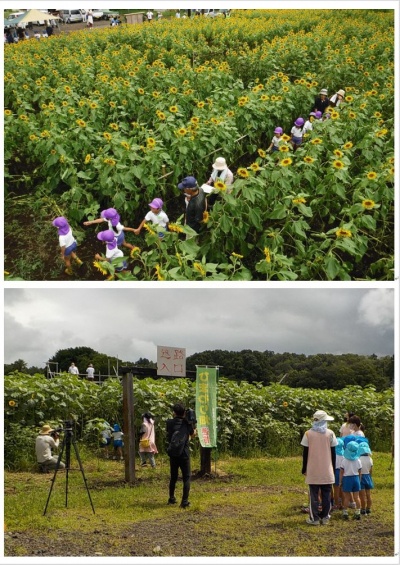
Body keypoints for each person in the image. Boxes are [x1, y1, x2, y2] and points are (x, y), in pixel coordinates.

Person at [300, 409, 338, 525]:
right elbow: (333, 453)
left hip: (313, 468)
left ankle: (314, 518)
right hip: (327, 468)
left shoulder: (308, 434)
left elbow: (305, 453)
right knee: (327, 494)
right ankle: (325, 517)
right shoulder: (330, 433)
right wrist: (333, 467)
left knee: (314, 495)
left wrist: (304, 468)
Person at [166, 402, 196, 508]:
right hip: (184, 454)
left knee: (173, 477)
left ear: (174, 412)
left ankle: (171, 498)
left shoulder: (169, 422)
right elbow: (192, 435)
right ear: (184, 412)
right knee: (186, 478)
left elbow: (169, 434)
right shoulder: (187, 423)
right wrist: (192, 424)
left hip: (173, 453)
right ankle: (184, 501)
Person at [339, 440, 362, 520]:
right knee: (357, 497)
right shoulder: (358, 460)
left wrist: (340, 481)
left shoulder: (344, 461)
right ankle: (358, 511)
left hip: (347, 479)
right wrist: (359, 480)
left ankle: (345, 512)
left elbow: (341, 472)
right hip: (356, 479)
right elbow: (360, 472)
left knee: (347, 498)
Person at [358, 441, 373, 515]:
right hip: (368, 476)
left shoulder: (359, 459)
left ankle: (363, 509)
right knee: (368, 494)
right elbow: (371, 470)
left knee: (362, 495)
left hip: (361, 477)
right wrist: (370, 477)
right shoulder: (370, 459)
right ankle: (368, 508)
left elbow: (358, 470)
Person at [332, 438, 345, 510]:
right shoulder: (344, 454)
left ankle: (336, 504)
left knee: (336, 489)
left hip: (336, 472)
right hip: (343, 472)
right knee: (342, 489)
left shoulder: (334, 454)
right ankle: (343, 504)